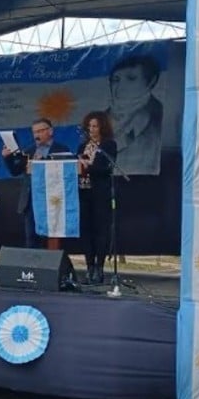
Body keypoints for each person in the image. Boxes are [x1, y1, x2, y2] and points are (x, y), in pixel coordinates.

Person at [1, 118, 71, 248]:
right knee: (31, 236)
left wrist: (43, 163)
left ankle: (54, 266)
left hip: (52, 200)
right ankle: (33, 268)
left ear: (50, 131)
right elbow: (15, 171)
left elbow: (66, 173)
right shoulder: (29, 151)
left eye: (41, 131)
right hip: (32, 199)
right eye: (35, 132)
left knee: (51, 238)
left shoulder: (61, 148)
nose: (37, 135)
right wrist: (8, 158)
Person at [77, 111, 118, 285]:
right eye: (89, 126)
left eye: (95, 126)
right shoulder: (82, 146)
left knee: (101, 231)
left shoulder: (108, 145)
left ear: (102, 127)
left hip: (100, 193)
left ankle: (99, 269)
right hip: (83, 191)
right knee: (86, 231)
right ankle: (89, 267)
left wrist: (90, 166)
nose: (91, 129)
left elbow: (106, 169)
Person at [106, 54, 163, 175]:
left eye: (131, 78)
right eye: (116, 80)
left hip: (147, 184)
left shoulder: (161, 116)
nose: (121, 86)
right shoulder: (100, 120)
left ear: (151, 81)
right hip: (109, 184)